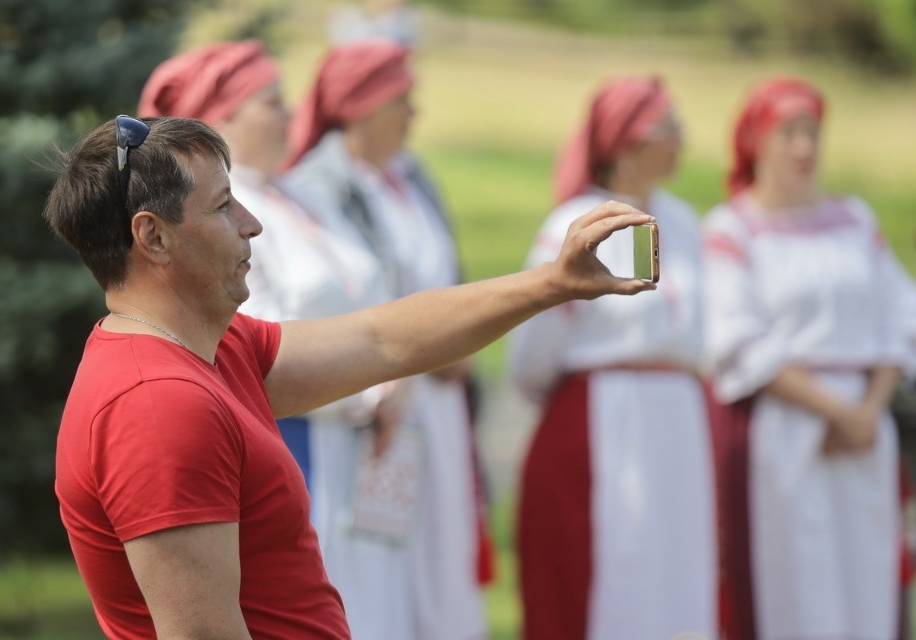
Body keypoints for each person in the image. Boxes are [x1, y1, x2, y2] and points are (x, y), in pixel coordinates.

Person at [45, 113, 655, 639]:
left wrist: (551, 283)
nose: (252, 223)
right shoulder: (157, 405)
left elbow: (383, 340)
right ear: (153, 236)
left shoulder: (214, 350)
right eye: (224, 205)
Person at [136, 40, 418, 640]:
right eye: (271, 103)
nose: (291, 116)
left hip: (362, 441)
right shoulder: (218, 214)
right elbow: (251, 335)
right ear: (221, 117)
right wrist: (368, 390)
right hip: (300, 434)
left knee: (378, 609)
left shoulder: (304, 197)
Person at [283, 39, 492, 640]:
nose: (412, 113)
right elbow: (349, 295)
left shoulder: (413, 177)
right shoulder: (322, 186)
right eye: (401, 98)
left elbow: (449, 277)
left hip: (438, 401)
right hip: (381, 396)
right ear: (359, 105)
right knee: (384, 562)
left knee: (441, 560)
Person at [703, 77, 914, 640]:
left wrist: (867, 408)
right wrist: (831, 409)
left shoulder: (856, 220)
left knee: (866, 572)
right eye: (788, 133)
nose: (803, 148)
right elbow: (737, 335)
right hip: (785, 428)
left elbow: (900, 314)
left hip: (866, 429)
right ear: (755, 142)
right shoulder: (734, 230)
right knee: (796, 584)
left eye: (812, 133)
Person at [508, 76, 716, 640]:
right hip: (603, 418)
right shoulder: (576, 224)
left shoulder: (686, 222)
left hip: (677, 424)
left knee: (676, 567)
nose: (681, 138)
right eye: (666, 127)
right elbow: (533, 349)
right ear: (626, 141)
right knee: (606, 569)